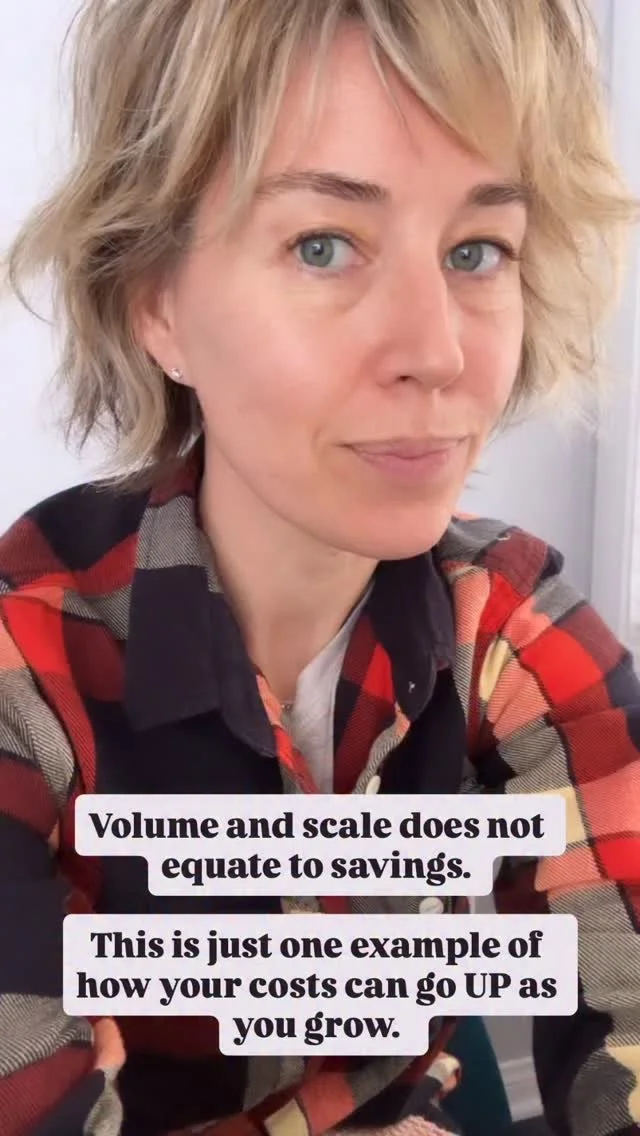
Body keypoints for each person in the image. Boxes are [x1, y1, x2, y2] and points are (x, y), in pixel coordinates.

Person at [0, 0, 639, 1133]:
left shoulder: (509, 624)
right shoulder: (26, 664)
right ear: (156, 300)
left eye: (477, 250)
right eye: (323, 246)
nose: (437, 351)